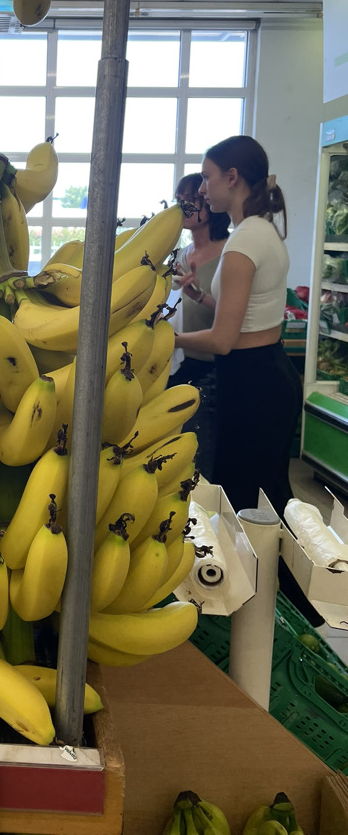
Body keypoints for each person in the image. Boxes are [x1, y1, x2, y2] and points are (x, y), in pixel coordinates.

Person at [174, 136, 317, 623]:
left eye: (209, 178)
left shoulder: (243, 241)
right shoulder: (260, 232)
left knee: (253, 499)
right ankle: (283, 601)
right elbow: (247, 317)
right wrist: (198, 294)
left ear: (232, 177)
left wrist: (163, 339)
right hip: (266, 373)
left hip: (250, 383)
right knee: (267, 493)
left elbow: (223, 341)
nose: (204, 191)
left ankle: (286, 604)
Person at [168, 173, 230, 480]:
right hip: (178, 365)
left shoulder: (229, 254)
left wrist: (200, 296)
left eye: (191, 200)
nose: (184, 207)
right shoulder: (179, 256)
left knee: (199, 461)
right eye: (180, 199)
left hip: (211, 369)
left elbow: (233, 317)